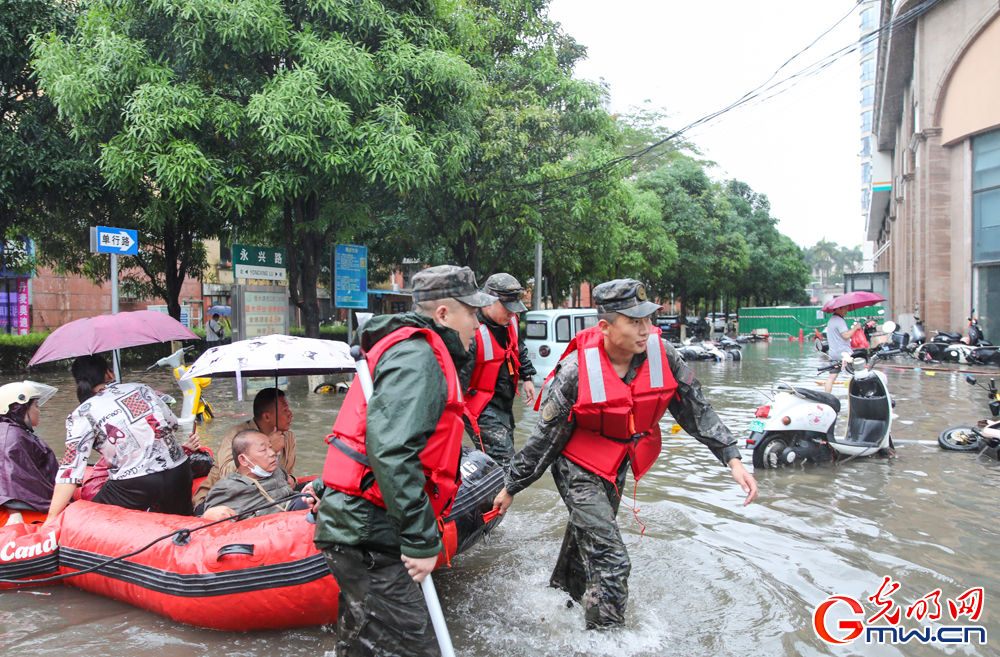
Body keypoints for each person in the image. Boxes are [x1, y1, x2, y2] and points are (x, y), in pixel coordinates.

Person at [491, 279, 758, 630]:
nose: (645, 329)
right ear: (605, 326)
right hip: (576, 467)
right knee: (611, 557)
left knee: (586, 538)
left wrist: (732, 459)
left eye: (648, 319)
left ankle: (561, 596)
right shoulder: (574, 371)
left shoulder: (665, 357)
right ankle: (606, 640)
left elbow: (696, 409)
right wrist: (511, 487)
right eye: (633, 321)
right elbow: (544, 440)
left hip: (616, 463)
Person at [308, 264, 496, 657]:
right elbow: (391, 449)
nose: (478, 324)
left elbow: (384, 434)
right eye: (473, 312)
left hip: (363, 525)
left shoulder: (415, 349)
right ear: (444, 313)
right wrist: (420, 538)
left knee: (363, 645)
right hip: (370, 533)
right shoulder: (419, 356)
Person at [43, 354, 193, 528]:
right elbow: (173, 424)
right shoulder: (141, 389)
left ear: (78, 383)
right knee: (184, 524)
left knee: (88, 522)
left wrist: (51, 518)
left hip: (135, 484)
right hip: (179, 470)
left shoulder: (82, 413)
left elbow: (70, 470)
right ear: (109, 374)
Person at [459, 273, 537, 472]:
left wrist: (527, 377)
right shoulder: (470, 331)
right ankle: (494, 500)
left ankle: (490, 500)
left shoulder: (510, 322)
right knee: (503, 462)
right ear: (488, 303)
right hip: (481, 407)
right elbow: (457, 379)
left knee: (501, 458)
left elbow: (519, 348)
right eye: (508, 309)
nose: (512, 314)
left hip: (504, 402)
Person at [193, 387, 296, 507]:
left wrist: (292, 479)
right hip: (222, 500)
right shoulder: (236, 435)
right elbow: (227, 474)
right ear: (267, 417)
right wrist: (270, 447)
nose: (291, 414)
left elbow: (288, 472)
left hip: (263, 495)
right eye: (285, 410)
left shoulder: (288, 438)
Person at [201, 429, 309, 520]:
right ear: (243, 460)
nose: (272, 453)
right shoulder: (228, 487)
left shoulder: (277, 471)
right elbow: (206, 520)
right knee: (304, 502)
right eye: (263, 450)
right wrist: (209, 514)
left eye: (270, 447)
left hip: (292, 512)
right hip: (271, 523)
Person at [0, 381, 59, 525]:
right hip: (24, 508)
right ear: (19, 409)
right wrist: (14, 511)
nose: (39, 411)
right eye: (36, 406)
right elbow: (8, 471)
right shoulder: (11, 437)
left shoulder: (16, 431)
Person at [824, 306, 861, 394]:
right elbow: (846, 335)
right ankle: (857, 396)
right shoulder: (840, 321)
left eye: (847, 308)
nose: (846, 311)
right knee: (858, 374)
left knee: (831, 378)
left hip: (833, 353)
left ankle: (827, 397)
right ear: (838, 309)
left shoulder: (831, 320)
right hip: (844, 353)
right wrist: (856, 327)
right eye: (844, 308)